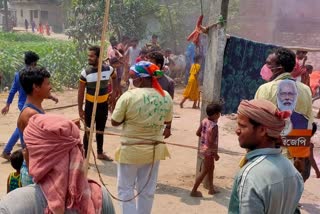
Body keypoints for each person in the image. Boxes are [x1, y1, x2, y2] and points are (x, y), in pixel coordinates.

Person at [0, 114, 115, 213]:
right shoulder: (100, 197)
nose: (24, 153)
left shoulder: (11, 205)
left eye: (27, 148)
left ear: (36, 156)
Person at [111, 61, 173, 214]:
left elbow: (114, 121)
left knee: (126, 189)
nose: (131, 80)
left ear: (142, 79)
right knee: (147, 189)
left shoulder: (128, 96)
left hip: (131, 150)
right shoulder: (165, 96)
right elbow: (167, 120)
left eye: (132, 77)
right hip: (153, 150)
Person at [228, 99, 304, 214]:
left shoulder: (250, 176)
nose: (237, 130)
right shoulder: (293, 171)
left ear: (262, 130)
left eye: (242, 126)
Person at [255, 47, 313, 177]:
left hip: (267, 159)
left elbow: (256, 124)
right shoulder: (306, 90)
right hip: (294, 162)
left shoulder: (265, 89)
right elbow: (308, 125)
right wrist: (300, 158)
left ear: (279, 68)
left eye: (269, 63)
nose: (266, 66)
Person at [1, 51, 57, 160]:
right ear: (33, 63)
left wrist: (8, 104)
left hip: (22, 103)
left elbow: (13, 90)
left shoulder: (19, 74)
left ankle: (9, 150)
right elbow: (40, 88)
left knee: (22, 127)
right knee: (22, 128)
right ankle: (10, 150)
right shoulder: (34, 75)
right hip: (28, 104)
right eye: (35, 63)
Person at [78, 45, 117, 161]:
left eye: (91, 56)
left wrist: (113, 92)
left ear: (99, 57)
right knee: (88, 131)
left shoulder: (108, 69)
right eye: (88, 56)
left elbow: (115, 77)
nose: (89, 58)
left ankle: (100, 153)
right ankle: (85, 157)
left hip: (103, 106)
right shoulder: (86, 73)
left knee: (100, 130)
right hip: (90, 106)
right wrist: (80, 109)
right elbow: (80, 93)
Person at [18, 66, 53, 187]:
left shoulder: (35, 109)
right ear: (36, 87)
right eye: (47, 84)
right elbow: (29, 150)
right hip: (34, 173)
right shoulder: (31, 115)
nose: (50, 87)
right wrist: (37, 178)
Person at [190, 102, 222, 197]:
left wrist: (204, 136)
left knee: (211, 168)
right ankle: (194, 190)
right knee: (205, 171)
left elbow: (198, 133)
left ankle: (211, 189)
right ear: (216, 114)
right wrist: (215, 154)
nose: (219, 114)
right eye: (219, 113)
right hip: (209, 152)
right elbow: (212, 142)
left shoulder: (204, 121)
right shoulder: (214, 126)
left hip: (204, 149)